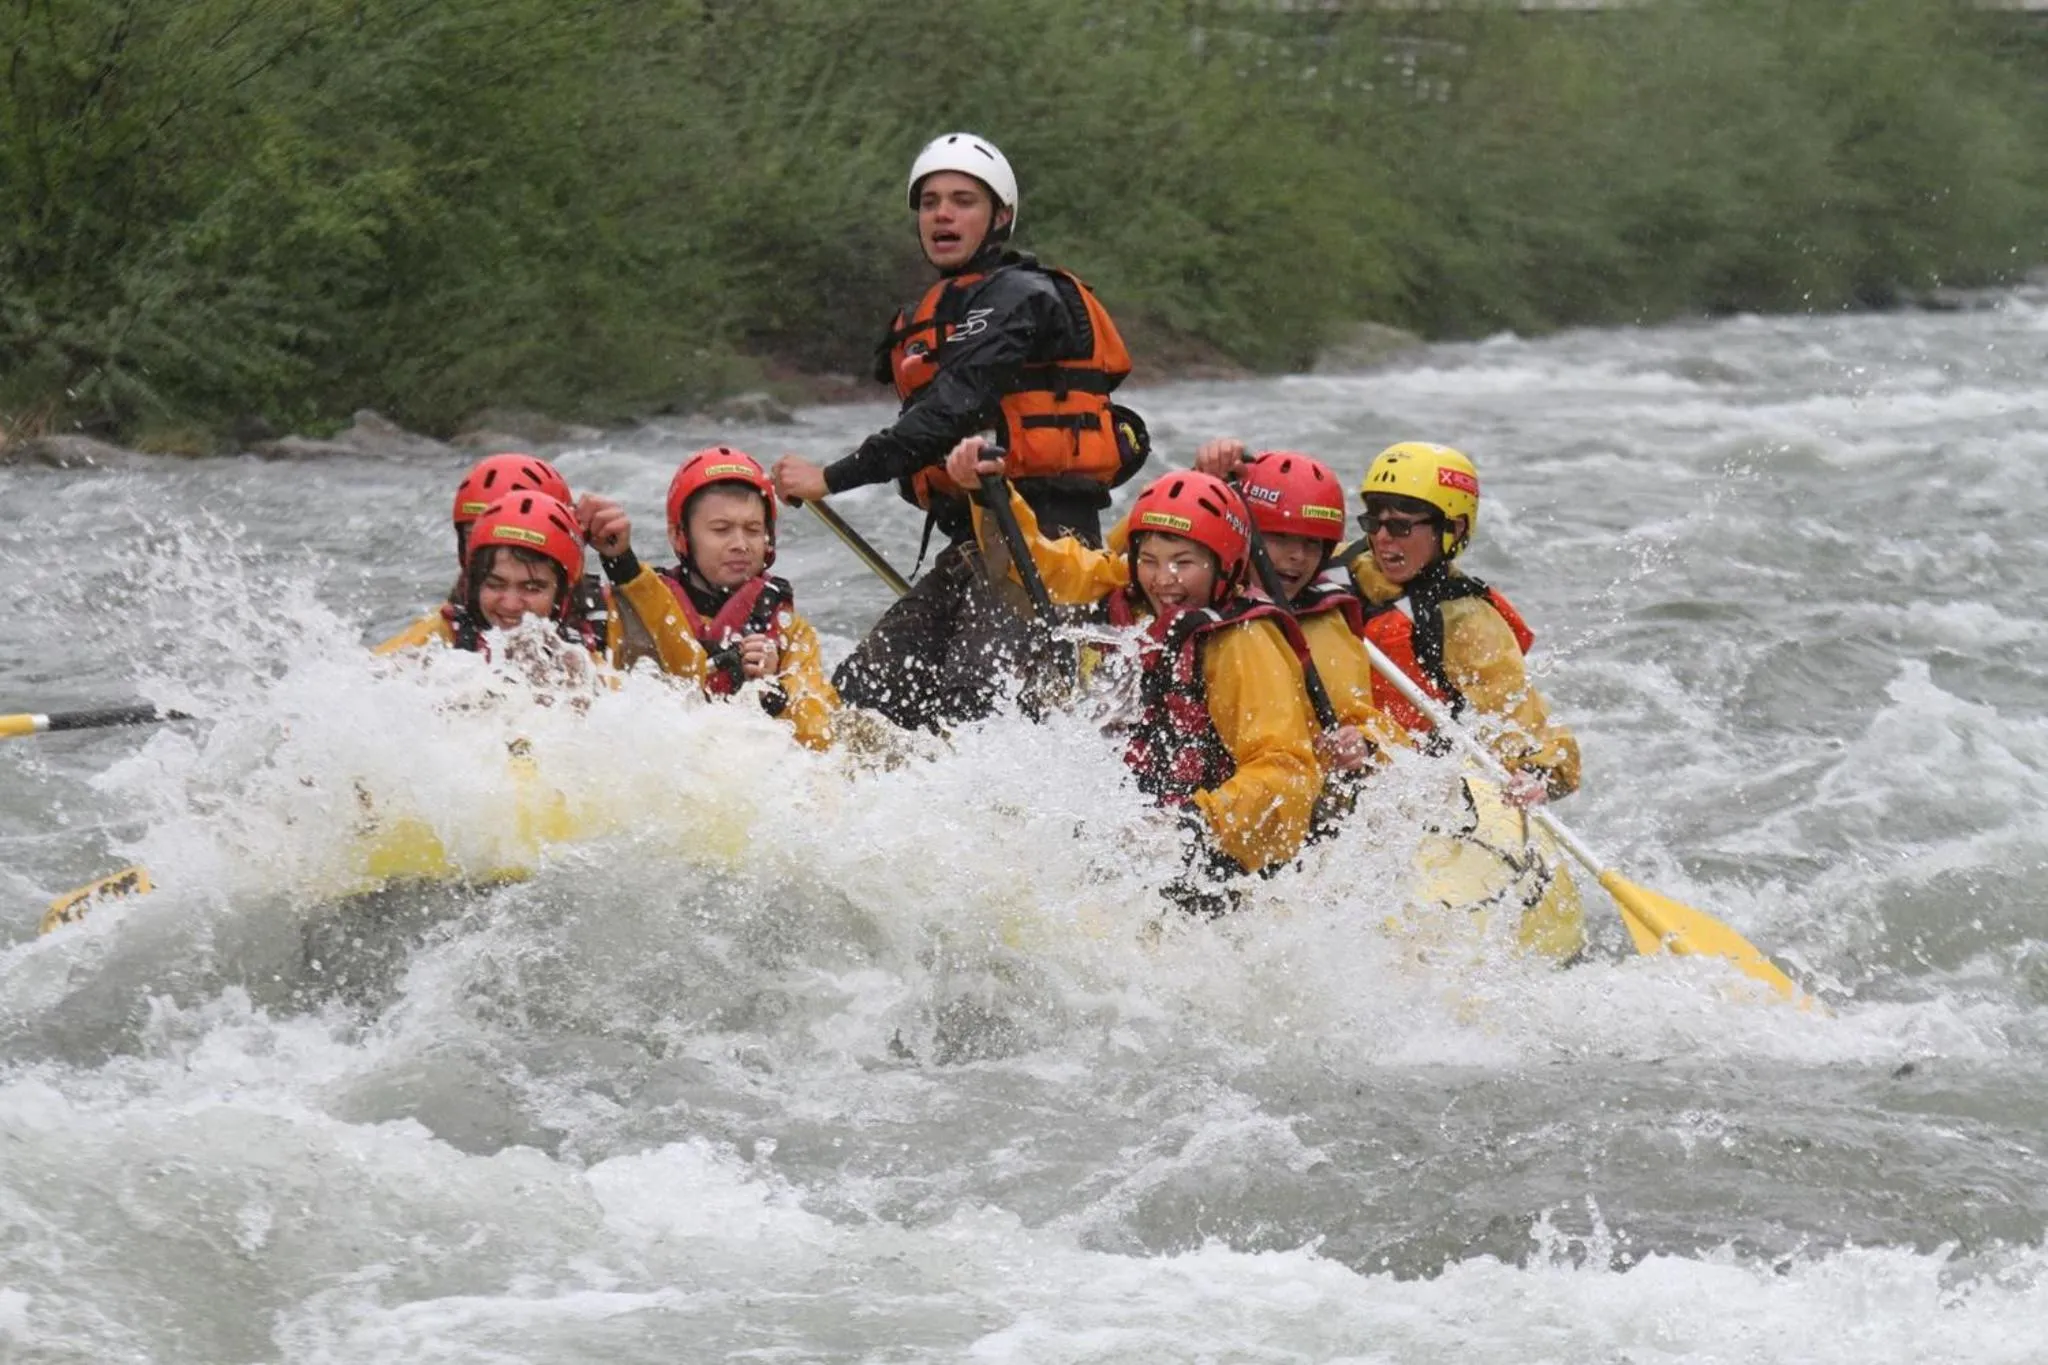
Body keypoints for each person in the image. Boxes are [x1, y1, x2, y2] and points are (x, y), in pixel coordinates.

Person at [771, 132, 1145, 732]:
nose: (942, 213)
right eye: (930, 201)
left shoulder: (1025, 295)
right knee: (860, 701)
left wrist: (830, 478)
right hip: (975, 542)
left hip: (1045, 541)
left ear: (1000, 217)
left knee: (977, 703)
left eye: (963, 200)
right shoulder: (941, 311)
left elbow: (952, 408)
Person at [944, 439, 1320, 897]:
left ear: (1224, 566)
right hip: (1130, 826)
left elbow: (1287, 770)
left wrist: (1190, 823)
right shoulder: (1128, 592)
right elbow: (1041, 566)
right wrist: (988, 493)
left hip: (1212, 855)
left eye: (1184, 563)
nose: (1164, 579)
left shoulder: (1244, 641)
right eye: (1149, 561)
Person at [1342, 442, 1579, 805]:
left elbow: (1524, 724)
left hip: (1403, 783)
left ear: (1451, 529)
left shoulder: (1467, 623)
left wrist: (1536, 773)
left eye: (1401, 526)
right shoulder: (1340, 564)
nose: (1383, 537)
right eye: (1374, 522)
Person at [577, 446, 838, 750]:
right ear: (679, 536)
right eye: (721, 530)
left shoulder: (790, 633)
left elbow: (823, 736)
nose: (740, 544)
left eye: (753, 530)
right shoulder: (629, 605)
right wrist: (620, 561)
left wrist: (774, 693)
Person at [1193, 440, 1408, 781]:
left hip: (1283, 797)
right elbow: (1131, 561)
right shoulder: (1189, 591)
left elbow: (1372, 724)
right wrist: (1201, 485)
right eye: (1279, 538)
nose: (1297, 556)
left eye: (1311, 543)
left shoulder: (1326, 621)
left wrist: (1365, 743)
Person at [375, 453, 606, 655]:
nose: (510, 604)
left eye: (532, 587)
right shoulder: (446, 634)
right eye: (472, 532)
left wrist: (623, 565)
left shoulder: (600, 616)